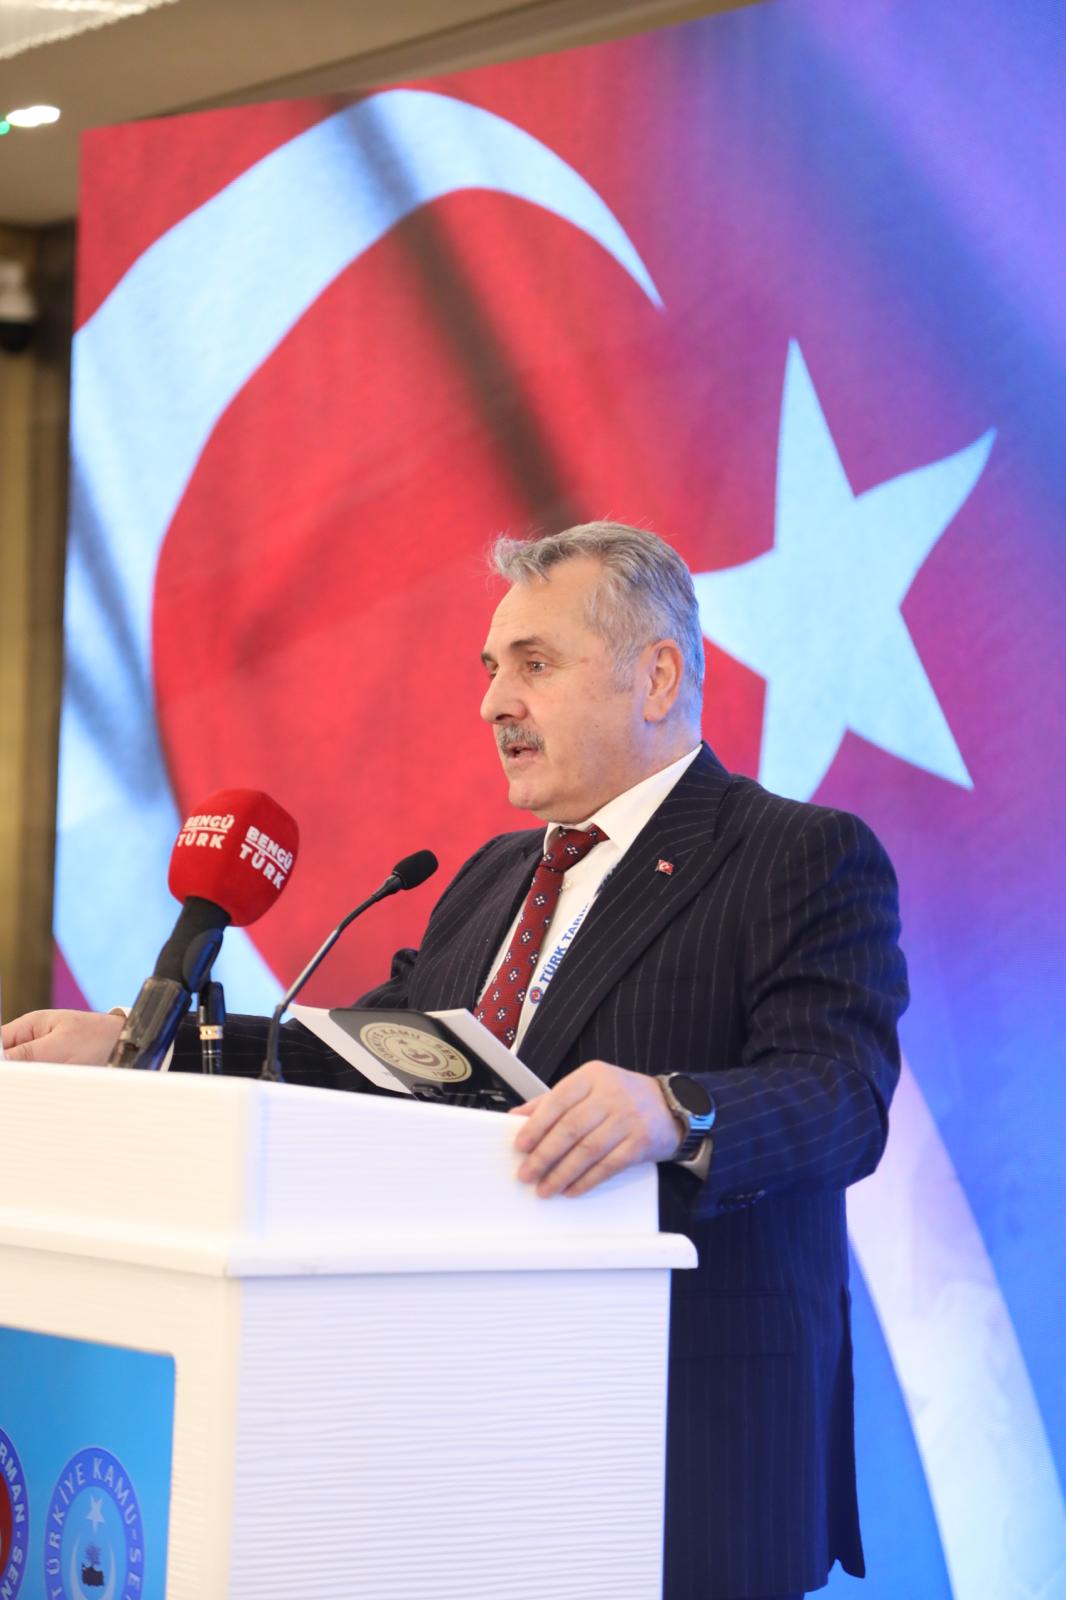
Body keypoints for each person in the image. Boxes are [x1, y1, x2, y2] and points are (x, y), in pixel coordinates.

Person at [4, 522, 908, 1600]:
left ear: (657, 676)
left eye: (535, 663)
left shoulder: (796, 854)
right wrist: (138, 1042)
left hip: (684, 1440)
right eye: (490, 667)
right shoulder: (489, 876)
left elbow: (842, 1093)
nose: (492, 702)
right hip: (465, 1429)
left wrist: (673, 1110)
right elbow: (366, 1055)